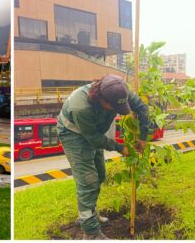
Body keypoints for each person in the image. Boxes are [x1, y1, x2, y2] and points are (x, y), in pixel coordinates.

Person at [57, 75, 152, 240]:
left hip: (94, 132)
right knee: (88, 181)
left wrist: (143, 136)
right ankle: (91, 232)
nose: (115, 109)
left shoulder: (119, 92)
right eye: (112, 107)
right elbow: (93, 138)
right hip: (73, 134)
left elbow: (143, 109)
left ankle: (88, 215)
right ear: (100, 98)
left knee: (100, 175)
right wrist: (119, 148)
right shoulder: (82, 107)